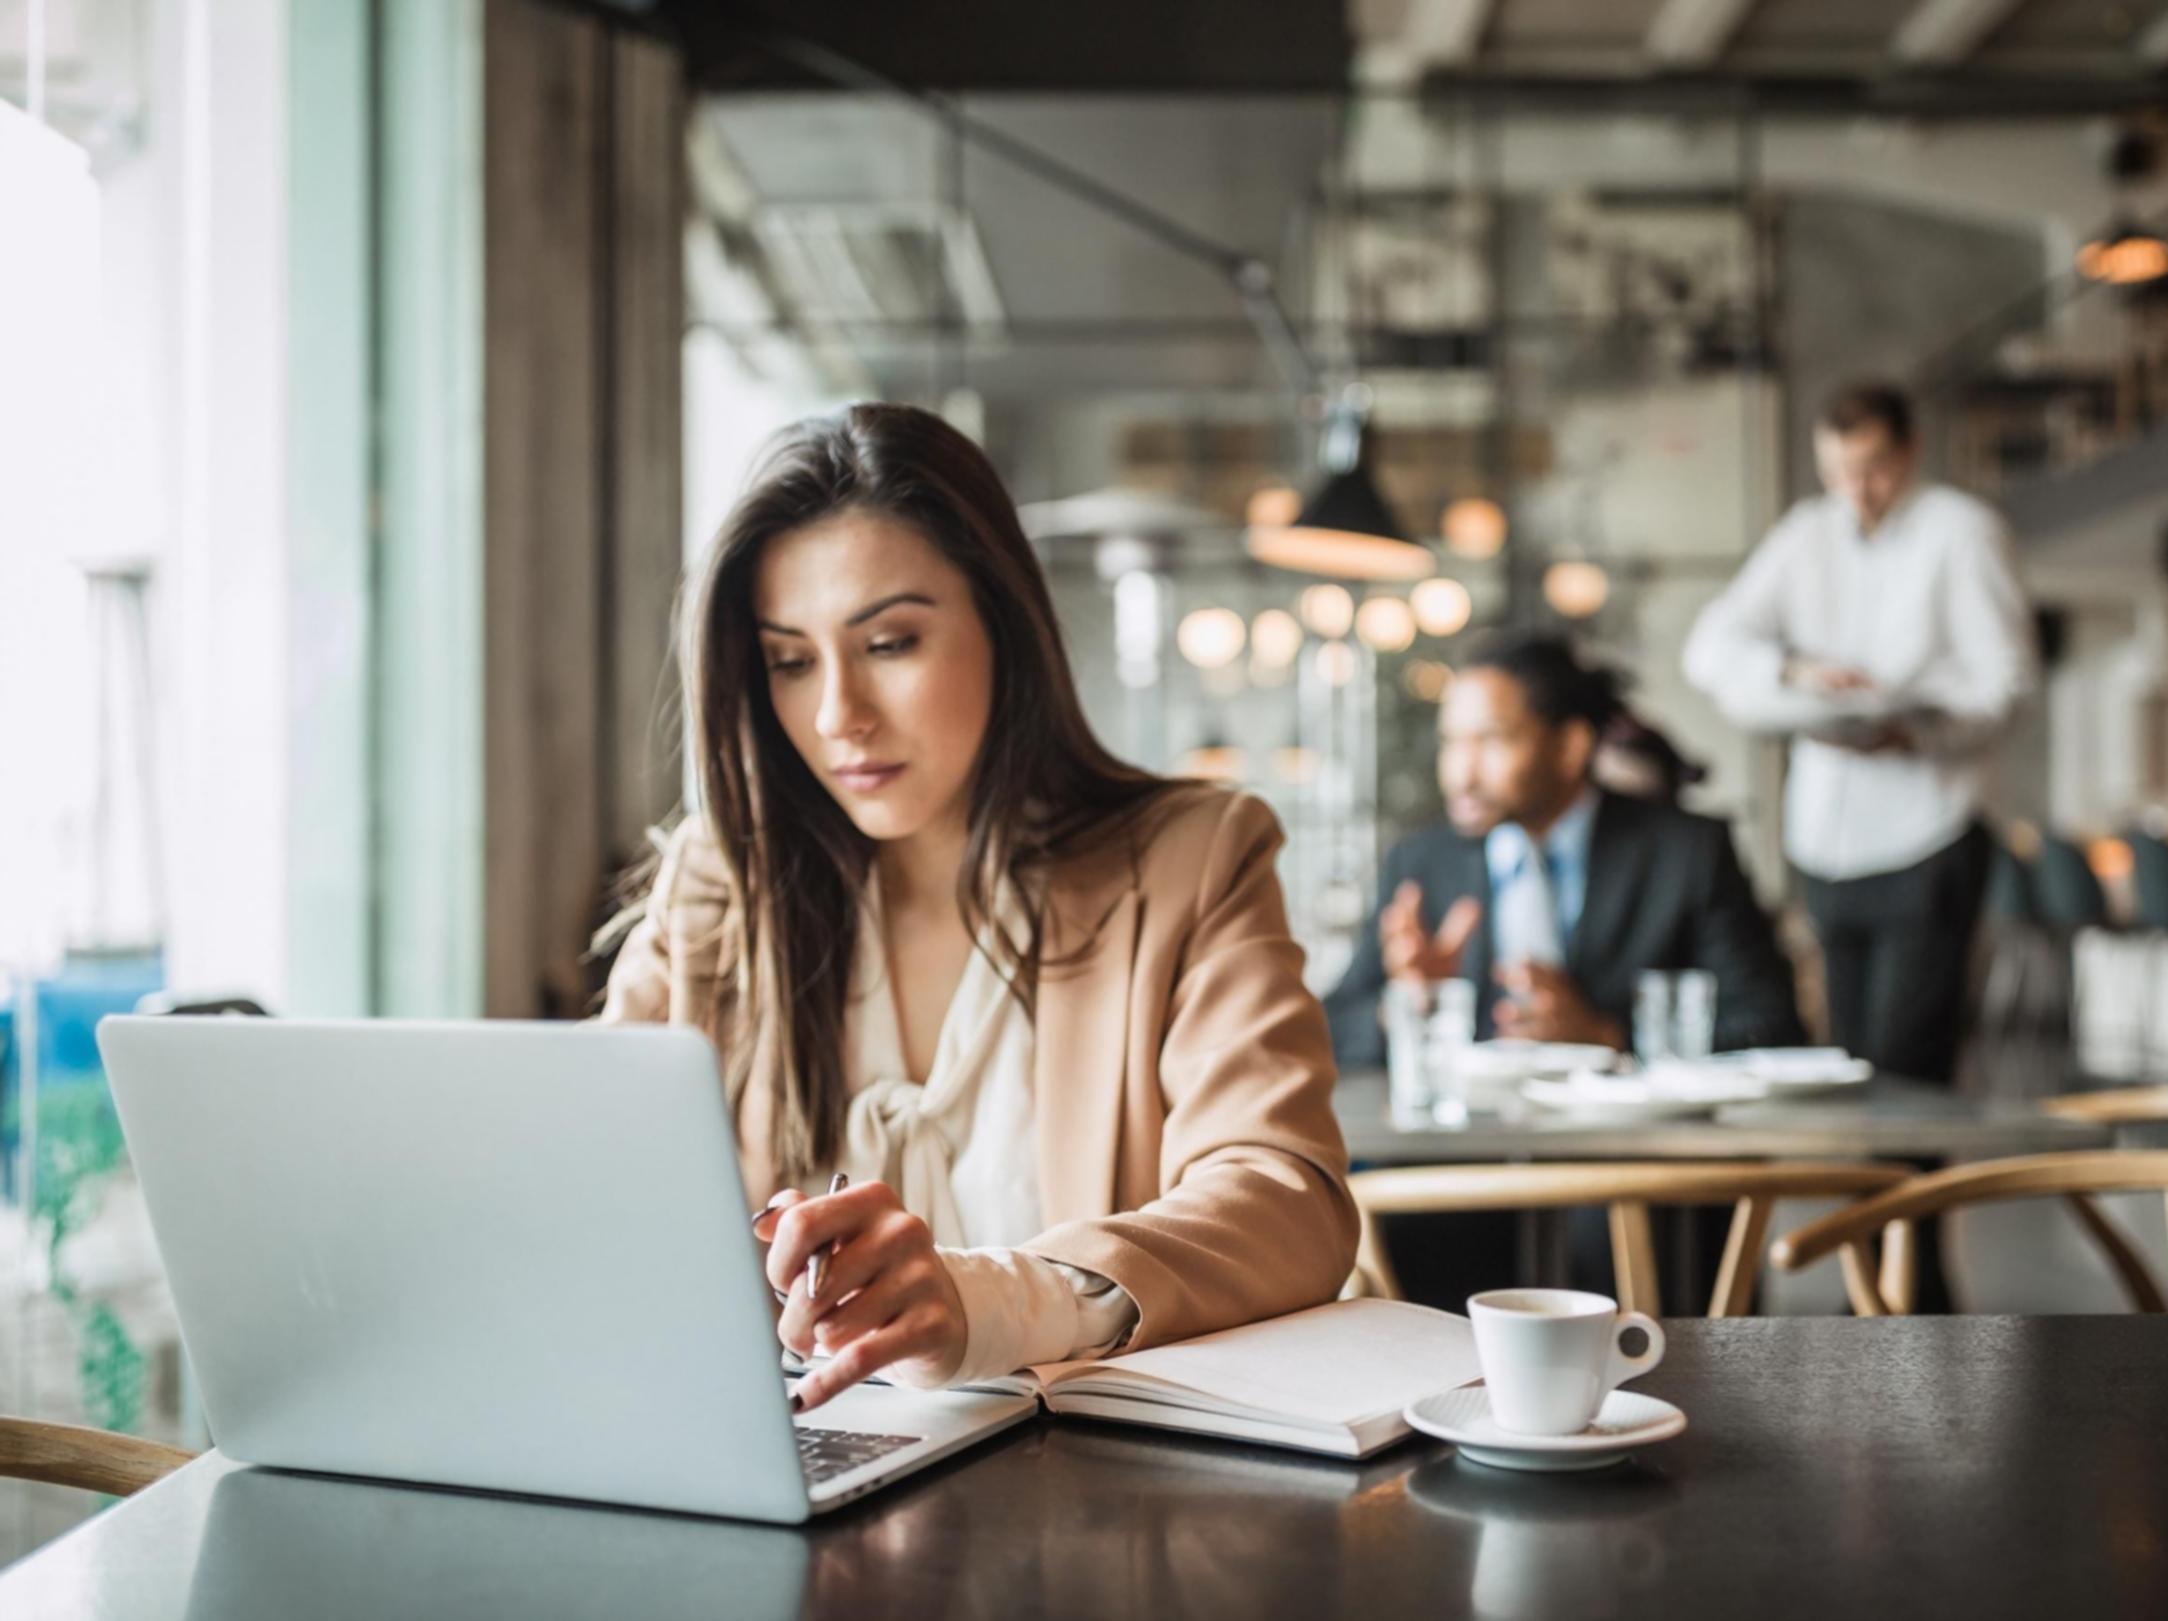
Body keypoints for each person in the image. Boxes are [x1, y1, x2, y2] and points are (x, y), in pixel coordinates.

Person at [602, 405, 1356, 1410]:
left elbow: (1283, 1199)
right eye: (789, 660)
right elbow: (588, 1181)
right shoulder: (717, 888)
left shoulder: (1188, 861)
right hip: (800, 1478)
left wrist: (989, 1299)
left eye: (889, 641)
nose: (837, 717)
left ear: (1003, 623)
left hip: (1103, 1499)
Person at [1683, 380, 2034, 1091]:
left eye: (1873, 469)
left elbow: (2009, 684)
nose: (1858, 491)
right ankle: (1876, 1205)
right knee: (1844, 1061)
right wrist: (1794, 668)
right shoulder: (1805, 534)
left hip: (1931, 831)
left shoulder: (1963, 532)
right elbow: (1709, 647)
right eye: (1839, 471)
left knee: (1909, 1061)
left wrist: (1918, 732)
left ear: (1910, 451)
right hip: (1826, 842)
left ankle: (1918, 1205)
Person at [1325, 632, 1802, 1072]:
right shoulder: (1420, 862)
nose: (1460, 774)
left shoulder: (1687, 853)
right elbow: (1328, 1029)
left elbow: (1772, 1024)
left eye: (1491, 740)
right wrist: (1412, 1005)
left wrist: (1607, 1036)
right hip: (1468, 1153)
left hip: (1631, 1153)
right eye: (1452, 742)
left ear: (1571, 747)